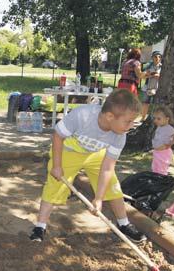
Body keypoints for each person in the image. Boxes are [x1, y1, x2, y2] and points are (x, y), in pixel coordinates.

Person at [29, 89, 146, 243]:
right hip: (69, 150)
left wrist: (99, 198)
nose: (131, 126)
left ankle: (123, 224)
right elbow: (58, 136)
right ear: (110, 116)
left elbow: (107, 168)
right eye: (128, 121)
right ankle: (40, 226)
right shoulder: (82, 115)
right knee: (55, 185)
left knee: (112, 185)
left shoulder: (120, 135)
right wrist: (57, 166)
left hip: (96, 155)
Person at [151, 106, 174, 176]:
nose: (155, 120)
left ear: (167, 119)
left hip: (163, 153)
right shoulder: (159, 126)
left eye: (158, 119)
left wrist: (169, 144)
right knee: (155, 168)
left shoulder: (169, 128)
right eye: (155, 118)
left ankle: (162, 182)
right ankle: (156, 181)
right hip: (157, 152)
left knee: (161, 170)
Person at [141, 51, 163, 121]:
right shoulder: (148, 66)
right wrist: (150, 75)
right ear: (152, 58)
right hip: (147, 87)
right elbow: (143, 76)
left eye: (159, 57)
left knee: (155, 104)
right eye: (155, 56)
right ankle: (143, 118)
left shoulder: (163, 67)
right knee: (145, 103)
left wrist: (158, 76)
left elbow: (165, 77)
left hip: (157, 88)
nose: (157, 58)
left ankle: (154, 119)